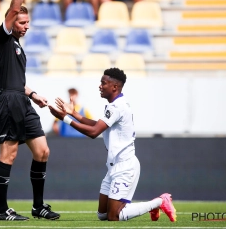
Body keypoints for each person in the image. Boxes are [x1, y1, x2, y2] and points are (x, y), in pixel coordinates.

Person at [49, 68, 176, 222]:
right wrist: (73, 114)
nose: (100, 86)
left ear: (115, 87)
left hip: (125, 167)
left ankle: (159, 202)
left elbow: (94, 132)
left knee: (114, 216)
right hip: (114, 167)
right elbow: (97, 124)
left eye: (104, 83)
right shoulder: (114, 105)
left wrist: (65, 119)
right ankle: (155, 205)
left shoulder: (117, 106)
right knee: (102, 215)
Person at [0, 0, 60, 221]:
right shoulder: (3, 37)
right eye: (22, 22)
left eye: (28, 22)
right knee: (9, 154)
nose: (26, 26)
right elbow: (12, 9)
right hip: (8, 102)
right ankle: (1, 210)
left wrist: (33, 94)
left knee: (42, 151)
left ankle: (38, 206)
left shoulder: (18, 47)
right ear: (12, 22)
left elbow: (18, 80)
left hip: (21, 99)